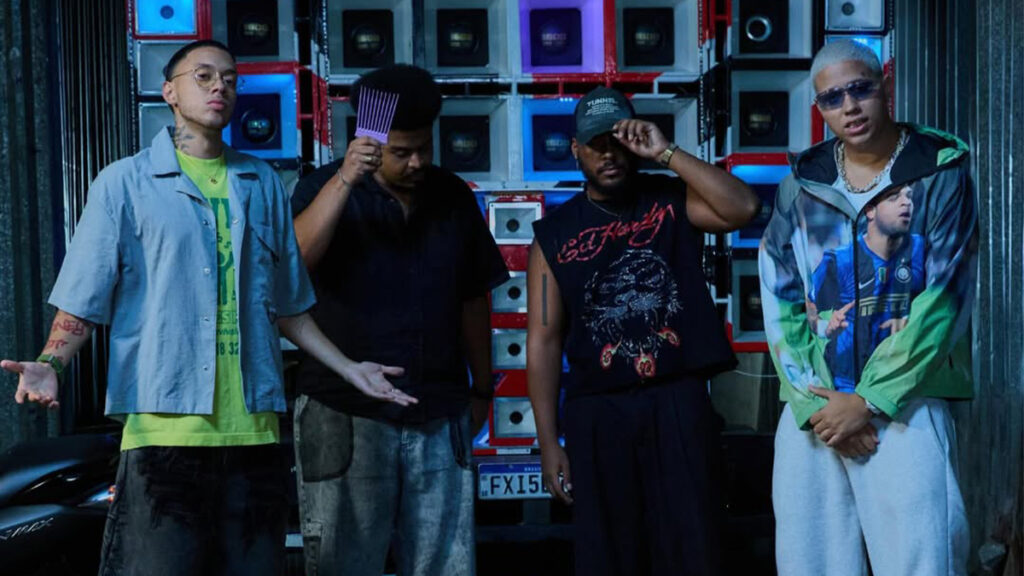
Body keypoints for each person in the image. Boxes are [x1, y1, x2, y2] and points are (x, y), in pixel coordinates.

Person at [0, 40, 414, 576]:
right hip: (164, 435)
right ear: (169, 92)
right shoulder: (124, 184)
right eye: (203, 76)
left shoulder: (261, 183)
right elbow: (85, 295)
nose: (220, 86)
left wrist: (350, 368)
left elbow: (287, 305)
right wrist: (50, 362)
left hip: (256, 434)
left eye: (230, 78)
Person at [759, 39, 977, 575]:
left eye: (860, 89)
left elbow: (945, 297)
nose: (850, 107)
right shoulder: (801, 185)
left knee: (921, 560)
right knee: (810, 563)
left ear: (886, 85)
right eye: (833, 98)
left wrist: (869, 400)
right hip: (815, 410)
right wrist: (814, 402)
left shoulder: (939, 174)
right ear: (820, 108)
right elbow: (780, 295)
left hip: (907, 404)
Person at [527, 86, 759, 576]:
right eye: (596, 145)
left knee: (693, 546)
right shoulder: (554, 233)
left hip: (676, 396)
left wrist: (666, 152)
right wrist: (549, 443)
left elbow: (743, 208)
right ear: (576, 150)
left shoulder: (671, 199)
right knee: (609, 554)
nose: (609, 154)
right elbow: (543, 341)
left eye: (618, 140)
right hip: (598, 408)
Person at [289, 64, 508, 576]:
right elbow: (290, 271)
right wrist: (346, 180)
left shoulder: (451, 195)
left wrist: (482, 388)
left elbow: (473, 299)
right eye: (401, 152)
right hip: (344, 412)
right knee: (344, 565)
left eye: (424, 148)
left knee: (446, 565)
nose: (417, 162)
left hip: (439, 407)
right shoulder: (320, 187)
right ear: (368, 142)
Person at [809, 181, 926, 392]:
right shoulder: (841, 261)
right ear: (870, 210)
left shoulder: (921, 250)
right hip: (848, 384)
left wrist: (912, 322)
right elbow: (808, 308)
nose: (906, 203)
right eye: (894, 197)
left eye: (909, 196)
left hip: (904, 381)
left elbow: (941, 304)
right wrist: (825, 326)